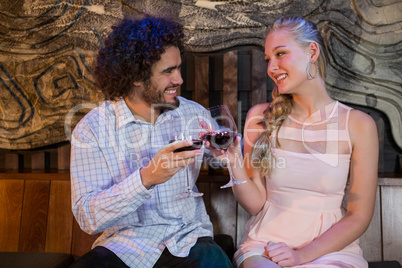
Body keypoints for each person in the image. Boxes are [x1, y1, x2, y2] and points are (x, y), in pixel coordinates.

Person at [206, 17, 379, 267]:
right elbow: (255, 204)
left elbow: (359, 216)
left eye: (281, 54)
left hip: (329, 250)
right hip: (266, 245)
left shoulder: (359, 125)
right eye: (268, 59)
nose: (272, 67)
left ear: (312, 52)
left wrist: (302, 256)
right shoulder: (259, 117)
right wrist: (233, 159)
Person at [69, 16, 232, 268]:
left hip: (188, 239)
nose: (179, 79)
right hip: (123, 245)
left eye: (179, 68)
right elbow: (87, 218)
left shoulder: (194, 114)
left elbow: (228, 154)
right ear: (136, 76)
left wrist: (226, 152)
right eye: (168, 71)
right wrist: (146, 178)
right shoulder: (92, 129)